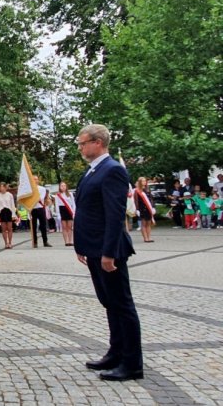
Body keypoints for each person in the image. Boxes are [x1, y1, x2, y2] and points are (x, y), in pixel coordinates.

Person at [74, 124, 142, 381]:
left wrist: (108, 253)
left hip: (107, 250)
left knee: (122, 305)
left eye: (83, 143)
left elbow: (115, 216)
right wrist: (82, 247)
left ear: (98, 142)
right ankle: (116, 353)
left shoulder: (112, 170)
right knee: (109, 303)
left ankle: (132, 364)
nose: (80, 147)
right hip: (93, 248)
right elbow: (87, 211)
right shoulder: (92, 171)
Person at [133, 177, 156, 242]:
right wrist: (137, 209)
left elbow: (151, 199)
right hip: (142, 209)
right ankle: (145, 238)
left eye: (145, 181)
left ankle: (149, 237)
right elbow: (136, 200)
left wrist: (153, 207)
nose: (144, 182)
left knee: (148, 223)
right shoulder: (137, 191)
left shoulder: (147, 189)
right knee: (143, 224)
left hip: (149, 208)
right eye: (143, 181)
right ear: (140, 182)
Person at [0, 183, 16, 249]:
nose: (2, 188)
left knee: (9, 228)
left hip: (9, 211)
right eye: (0, 187)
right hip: (2, 212)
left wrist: (13, 214)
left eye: (3, 187)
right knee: (3, 229)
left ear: (6, 188)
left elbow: (12, 205)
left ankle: (10, 243)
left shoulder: (10, 195)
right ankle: (6, 243)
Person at [31, 176, 51, 247]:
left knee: (43, 225)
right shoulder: (29, 189)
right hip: (33, 208)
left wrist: (34, 198)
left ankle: (45, 241)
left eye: (36, 179)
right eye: (33, 179)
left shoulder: (42, 189)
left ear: (38, 180)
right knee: (33, 226)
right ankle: (35, 242)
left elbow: (41, 198)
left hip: (40, 207)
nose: (35, 180)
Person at [55, 182, 76, 246]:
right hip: (62, 210)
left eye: (64, 186)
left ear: (66, 187)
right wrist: (58, 214)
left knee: (70, 227)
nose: (63, 187)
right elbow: (57, 205)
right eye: (62, 186)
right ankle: (66, 241)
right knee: (64, 227)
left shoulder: (70, 194)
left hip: (69, 210)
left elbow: (73, 204)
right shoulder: (57, 195)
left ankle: (70, 241)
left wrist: (74, 212)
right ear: (59, 187)